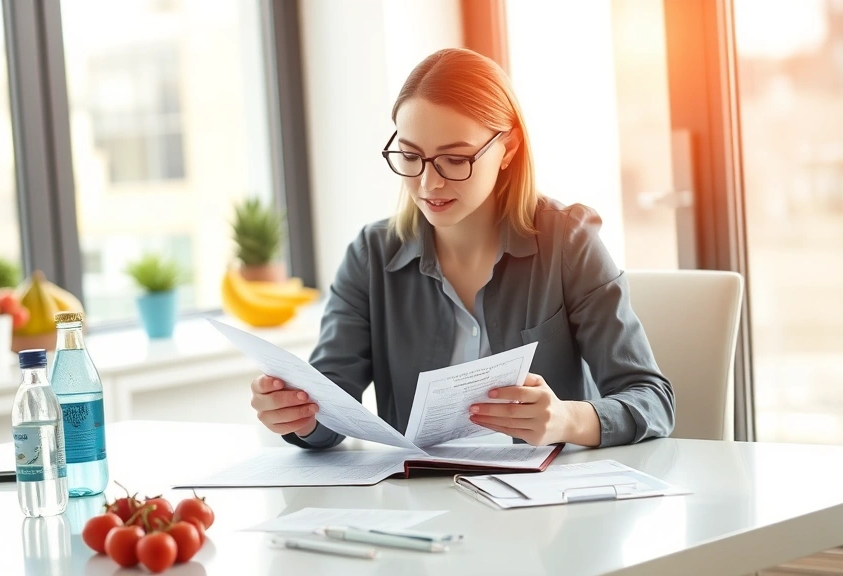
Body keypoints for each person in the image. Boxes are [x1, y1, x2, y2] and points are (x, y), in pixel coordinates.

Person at [249, 48, 675, 449]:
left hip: (542, 511)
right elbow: (330, 403)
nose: (428, 184)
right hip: (419, 509)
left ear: (507, 148)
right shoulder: (371, 256)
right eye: (411, 156)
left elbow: (653, 401)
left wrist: (566, 420)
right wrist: (301, 418)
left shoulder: (569, 242)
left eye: (455, 160)